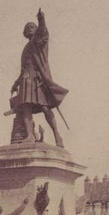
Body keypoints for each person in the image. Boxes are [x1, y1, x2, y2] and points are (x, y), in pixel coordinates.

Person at [10, 8, 68, 147]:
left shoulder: (39, 42)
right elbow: (24, 67)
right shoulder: (26, 48)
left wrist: (41, 19)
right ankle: (30, 135)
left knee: (45, 107)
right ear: (25, 33)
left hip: (38, 79)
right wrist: (16, 83)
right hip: (26, 79)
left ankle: (57, 136)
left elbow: (43, 31)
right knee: (25, 107)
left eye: (32, 27)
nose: (29, 29)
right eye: (27, 27)